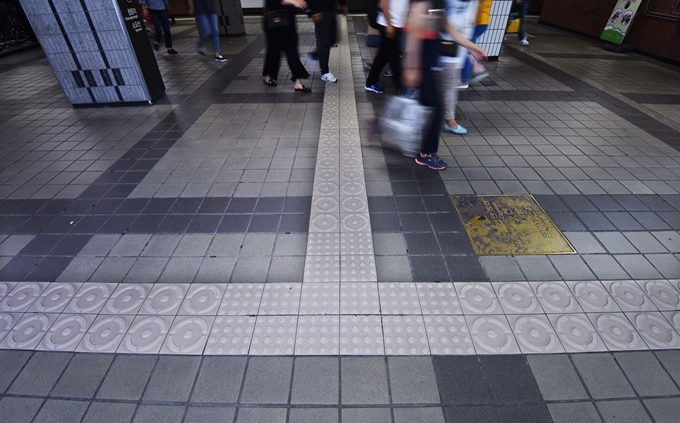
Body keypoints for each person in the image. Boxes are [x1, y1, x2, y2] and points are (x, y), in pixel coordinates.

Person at [402, 0, 485, 170]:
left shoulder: (438, 3)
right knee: (437, 108)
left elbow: (448, 27)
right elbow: (413, 28)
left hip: (427, 63)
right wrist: (411, 66)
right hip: (421, 64)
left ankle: (398, 135)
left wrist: (472, 46)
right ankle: (426, 154)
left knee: (425, 105)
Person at [439, 0, 479, 135]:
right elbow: (441, 18)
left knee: (448, 86)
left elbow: (469, 16)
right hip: (445, 44)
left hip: (458, 45)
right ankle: (449, 120)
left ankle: (448, 119)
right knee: (448, 86)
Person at [262, 0, 313, 93]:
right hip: (274, 22)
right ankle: (267, 75)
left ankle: (297, 81)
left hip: (288, 21)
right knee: (274, 51)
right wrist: (293, 2)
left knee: (292, 52)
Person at [364, 0, 409, 94]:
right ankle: (401, 88)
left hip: (397, 24)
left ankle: (371, 82)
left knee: (383, 55)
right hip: (388, 24)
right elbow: (384, 2)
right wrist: (389, 24)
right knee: (394, 57)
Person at [307, 0, 348, 83]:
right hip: (319, 12)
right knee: (324, 42)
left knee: (333, 39)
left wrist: (343, 4)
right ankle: (325, 72)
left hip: (331, 10)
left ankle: (315, 55)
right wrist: (311, 12)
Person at [459, 0, 491, 87]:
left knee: (467, 48)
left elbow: (476, 5)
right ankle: (477, 68)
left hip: (478, 22)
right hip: (482, 21)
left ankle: (465, 79)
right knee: (468, 47)